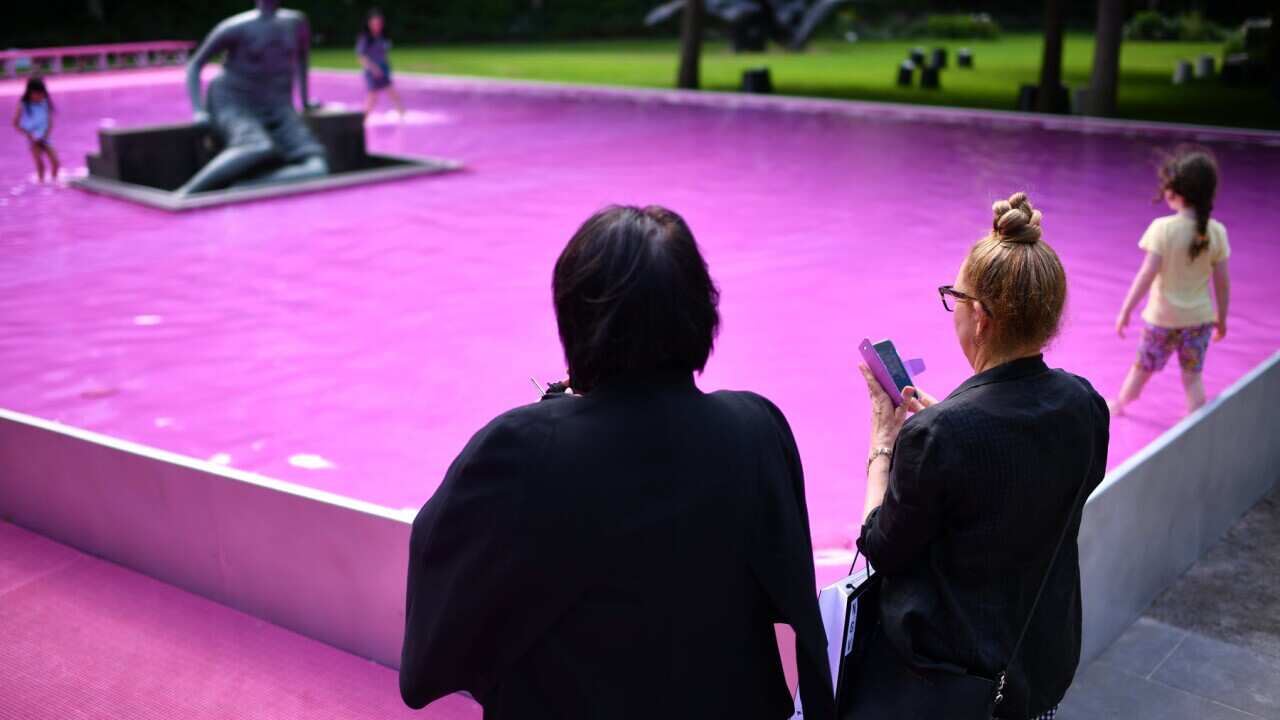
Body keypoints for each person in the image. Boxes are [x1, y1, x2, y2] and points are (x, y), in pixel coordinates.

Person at [399, 205, 835, 720]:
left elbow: (432, 650)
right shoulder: (757, 427)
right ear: (702, 313)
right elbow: (794, 606)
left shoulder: (522, 447)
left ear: (574, 319)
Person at [850, 193, 1109, 720]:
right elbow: (1027, 478)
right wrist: (943, 420)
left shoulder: (938, 435)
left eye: (955, 296)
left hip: (952, 680)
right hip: (1038, 664)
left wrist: (885, 441)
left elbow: (880, 544)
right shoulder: (1086, 404)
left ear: (982, 317)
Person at [1110, 148, 1230, 416]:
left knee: (1142, 369)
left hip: (1162, 320)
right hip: (1199, 321)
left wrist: (1126, 309)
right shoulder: (1217, 232)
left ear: (1176, 191)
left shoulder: (1162, 229)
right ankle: (1197, 425)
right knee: (1193, 378)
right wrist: (1221, 318)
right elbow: (1222, 283)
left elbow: (1146, 274)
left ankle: (1119, 405)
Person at [177, 0, 329, 196]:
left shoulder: (296, 22)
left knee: (317, 168)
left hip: (277, 105)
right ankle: (184, 193)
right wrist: (199, 110)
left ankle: (243, 188)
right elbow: (195, 64)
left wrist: (305, 101)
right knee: (256, 146)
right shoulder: (236, 27)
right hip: (233, 100)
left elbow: (302, 58)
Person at [357, 7, 404, 117]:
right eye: (375, 24)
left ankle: (402, 113)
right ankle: (364, 118)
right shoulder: (365, 38)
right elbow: (361, 57)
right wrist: (373, 68)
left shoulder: (383, 37)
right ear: (369, 24)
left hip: (383, 67)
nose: (377, 26)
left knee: (391, 90)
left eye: (379, 24)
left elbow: (385, 53)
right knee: (373, 94)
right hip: (371, 70)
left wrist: (386, 65)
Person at [13, 77, 60, 183]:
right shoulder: (23, 105)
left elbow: (49, 121)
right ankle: (41, 184)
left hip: (45, 137)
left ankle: (54, 181)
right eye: (37, 94)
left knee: (56, 162)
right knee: (40, 165)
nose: (40, 96)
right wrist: (29, 135)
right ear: (29, 93)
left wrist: (46, 135)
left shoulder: (45, 102)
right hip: (33, 139)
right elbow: (15, 123)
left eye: (42, 94)